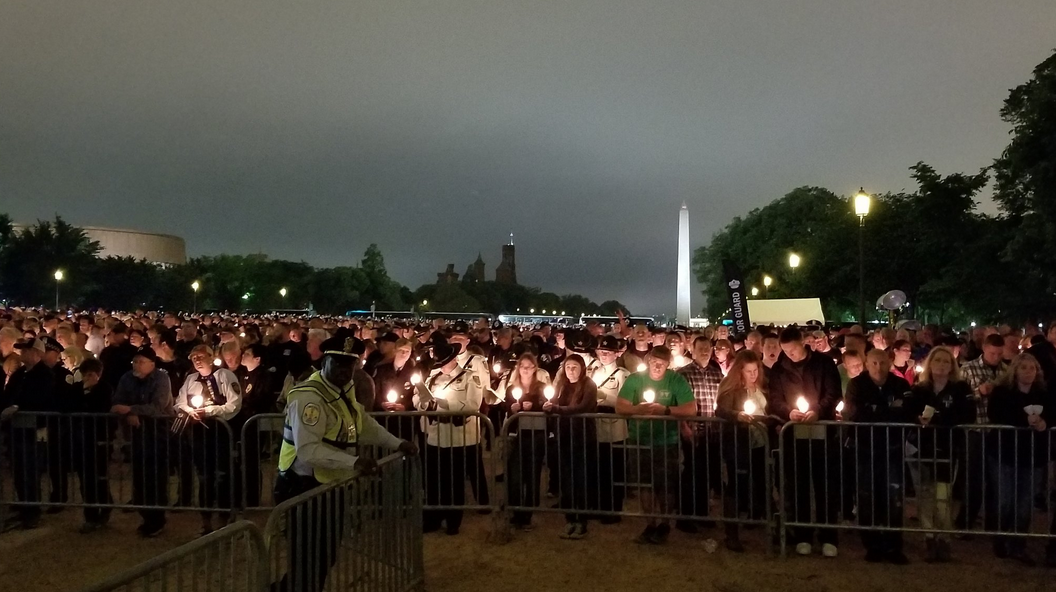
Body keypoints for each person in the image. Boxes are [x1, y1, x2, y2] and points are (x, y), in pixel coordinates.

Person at [274, 334, 417, 592]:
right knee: (307, 556)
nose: (343, 370)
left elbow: (362, 424)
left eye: (349, 365)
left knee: (325, 555)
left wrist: (396, 443)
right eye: (337, 363)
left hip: (330, 484)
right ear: (324, 361)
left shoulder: (343, 389)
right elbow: (308, 450)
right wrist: (354, 462)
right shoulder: (309, 396)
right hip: (304, 486)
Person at [767, 326, 842, 557]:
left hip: (822, 433)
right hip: (793, 435)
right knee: (797, 486)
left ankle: (828, 536)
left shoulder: (824, 364)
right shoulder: (779, 370)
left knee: (825, 486)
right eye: (786, 350)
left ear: (804, 343)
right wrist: (789, 413)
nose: (790, 354)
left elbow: (833, 393)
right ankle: (803, 535)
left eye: (794, 350)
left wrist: (818, 411)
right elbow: (774, 400)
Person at [616, 346, 697, 545]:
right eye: (654, 362)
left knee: (666, 486)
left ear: (668, 364)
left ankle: (664, 523)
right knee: (645, 485)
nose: (657, 366)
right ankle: (650, 524)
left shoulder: (676, 380)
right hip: (640, 440)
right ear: (649, 360)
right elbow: (620, 406)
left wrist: (666, 410)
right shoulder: (635, 379)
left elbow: (691, 408)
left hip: (667, 441)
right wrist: (637, 409)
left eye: (662, 363)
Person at [845, 348, 914, 564]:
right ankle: (872, 545)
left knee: (893, 498)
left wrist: (874, 409)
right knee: (866, 497)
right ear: (867, 363)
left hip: (892, 448)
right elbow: (854, 413)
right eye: (874, 363)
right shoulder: (856, 385)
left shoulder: (900, 385)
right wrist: (888, 409)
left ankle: (893, 545)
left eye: (882, 363)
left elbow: (907, 412)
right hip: (864, 449)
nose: (878, 367)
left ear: (889, 362)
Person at [908, 346, 974, 562]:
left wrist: (938, 419)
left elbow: (966, 414)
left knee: (942, 498)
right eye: (938, 361)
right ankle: (929, 538)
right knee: (925, 495)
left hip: (948, 448)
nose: (942, 365)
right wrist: (918, 419)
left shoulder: (960, 389)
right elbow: (909, 412)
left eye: (946, 362)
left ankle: (944, 538)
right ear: (930, 363)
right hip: (922, 448)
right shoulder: (920, 389)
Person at [414, 341, 485, 535]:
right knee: (434, 480)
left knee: (454, 481)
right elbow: (417, 399)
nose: (441, 367)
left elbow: (473, 404)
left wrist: (445, 406)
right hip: (436, 435)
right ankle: (434, 518)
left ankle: (453, 520)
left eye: (444, 362)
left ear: (453, 359)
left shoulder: (470, 377)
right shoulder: (432, 377)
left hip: (458, 436)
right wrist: (424, 404)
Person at [986, 353, 1049, 566]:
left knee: (1025, 503)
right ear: (1015, 371)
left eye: (1032, 369)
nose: (1028, 372)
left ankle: (1018, 543)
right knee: (1005, 500)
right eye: (1024, 368)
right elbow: (995, 414)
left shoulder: (1044, 394)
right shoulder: (1003, 393)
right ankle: (1001, 537)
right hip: (1005, 453)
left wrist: (1044, 423)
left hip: (1033, 456)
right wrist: (1024, 420)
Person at [175, 344, 242, 535]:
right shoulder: (190, 379)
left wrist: (210, 411)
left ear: (211, 358)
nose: (196, 360)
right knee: (204, 476)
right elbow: (179, 402)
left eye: (200, 356)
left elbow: (234, 404)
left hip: (220, 431)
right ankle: (206, 520)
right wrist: (190, 412)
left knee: (223, 474)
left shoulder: (225, 376)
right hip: (198, 434)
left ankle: (225, 515)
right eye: (193, 357)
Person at [111, 346, 174, 537]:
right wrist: (130, 411)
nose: (136, 365)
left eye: (141, 361)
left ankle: (157, 518)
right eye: (135, 361)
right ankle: (145, 515)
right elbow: (116, 403)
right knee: (139, 476)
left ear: (152, 364)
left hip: (158, 433)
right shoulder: (127, 378)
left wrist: (131, 410)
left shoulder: (161, 379)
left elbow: (157, 406)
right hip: (136, 434)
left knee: (155, 476)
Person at [714, 349, 771, 552]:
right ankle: (732, 533)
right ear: (740, 371)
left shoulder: (761, 388)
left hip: (759, 443)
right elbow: (720, 410)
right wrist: (737, 415)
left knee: (761, 482)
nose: (753, 374)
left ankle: (758, 518)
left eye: (755, 370)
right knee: (736, 486)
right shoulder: (731, 390)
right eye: (749, 371)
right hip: (738, 443)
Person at [1, 338, 57, 529]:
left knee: (30, 469)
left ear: (37, 353)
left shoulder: (45, 375)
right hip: (17, 428)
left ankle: (32, 510)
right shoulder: (20, 374)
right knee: (18, 469)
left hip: (33, 429)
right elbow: (7, 394)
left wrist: (18, 406)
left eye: (26, 350)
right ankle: (25, 505)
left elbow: (42, 399)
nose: (22, 354)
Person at [955, 334, 1006, 532]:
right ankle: (965, 522)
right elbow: (960, 397)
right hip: (975, 429)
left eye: (999, 354)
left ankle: (992, 524)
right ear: (984, 348)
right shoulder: (968, 369)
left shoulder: (1006, 371)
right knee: (973, 479)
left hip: (996, 431)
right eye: (993, 353)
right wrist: (978, 392)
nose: (996, 357)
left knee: (995, 479)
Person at [676, 335, 724, 533]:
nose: (705, 351)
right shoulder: (683, 374)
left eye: (708, 348)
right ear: (692, 350)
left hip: (712, 431)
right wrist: (683, 426)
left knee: (707, 473)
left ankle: (702, 513)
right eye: (700, 348)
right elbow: (677, 402)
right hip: (693, 430)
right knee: (691, 473)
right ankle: (685, 516)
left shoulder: (717, 373)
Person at [546, 354, 598, 539]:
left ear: (582, 368)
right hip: (564, 436)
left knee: (581, 480)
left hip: (583, 438)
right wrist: (550, 406)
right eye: (568, 367)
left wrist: (557, 409)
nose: (571, 371)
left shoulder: (589, 385)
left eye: (575, 367)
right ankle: (570, 519)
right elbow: (555, 403)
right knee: (567, 480)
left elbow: (583, 407)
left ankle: (581, 521)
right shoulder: (561, 385)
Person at [503, 352, 550, 530]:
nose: (526, 370)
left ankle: (528, 512)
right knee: (515, 474)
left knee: (532, 475)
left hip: (536, 436)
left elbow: (548, 408)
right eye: (523, 367)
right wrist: (513, 409)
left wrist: (538, 407)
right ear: (518, 368)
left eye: (530, 367)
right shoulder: (511, 389)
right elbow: (507, 412)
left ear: (535, 368)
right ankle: (516, 509)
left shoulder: (541, 388)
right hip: (518, 436)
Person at [69, 358, 114, 533]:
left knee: (99, 477)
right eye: (85, 374)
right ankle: (91, 515)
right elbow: (71, 407)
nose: (88, 377)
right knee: (85, 480)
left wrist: (88, 395)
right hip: (81, 439)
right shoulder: (75, 389)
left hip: (99, 439)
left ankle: (104, 505)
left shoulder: (105, 389)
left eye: (92, 374)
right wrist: (85, 392)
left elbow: (100, 409)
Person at [590, 335, 630, 522]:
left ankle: (613, 509)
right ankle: (599, 505)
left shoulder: (622, 374)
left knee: (614, 469)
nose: (604, 355)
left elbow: (625, 401)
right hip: (596, 423)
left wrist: (602, 395)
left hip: (615, 425)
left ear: (616, 354)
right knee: (599, 468)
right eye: (601, 352)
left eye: (608, 352)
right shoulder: (594, 372)